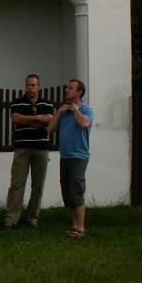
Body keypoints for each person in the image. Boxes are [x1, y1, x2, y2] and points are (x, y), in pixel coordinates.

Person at [3, 74, 55, 229]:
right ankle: (11, 219)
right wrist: (38, 119)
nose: (30, 88)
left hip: (41, 148)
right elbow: (16, 119)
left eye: (33, 85)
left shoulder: (47, 103)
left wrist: (32, 120)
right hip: (22, 148)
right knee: (17, 183)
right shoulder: (17, 102)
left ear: (39, 86)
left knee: (38, 185)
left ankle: (32, 217)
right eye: (28, 85)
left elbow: (49, 120)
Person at [47, 79, 93, 240]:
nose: (67, 90)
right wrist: (59, 112)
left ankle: (81, 228)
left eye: (70, 88)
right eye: (67, 87)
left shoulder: (86, 109)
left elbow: (85, 124)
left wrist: (75, 110)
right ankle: (74, 225)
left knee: (76, 190)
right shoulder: (64, 111)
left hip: (79, 156)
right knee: (67, 191)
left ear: (79, 92)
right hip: (65, 155)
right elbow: (50, 129)